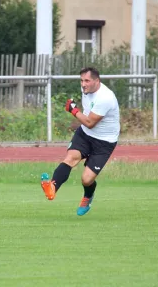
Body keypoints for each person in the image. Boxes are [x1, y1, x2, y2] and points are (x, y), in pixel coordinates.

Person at [41, 67, 120, 216]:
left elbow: (90, 122)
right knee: (71, 158)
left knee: (86, 179)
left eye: (87, 81)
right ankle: (52, 188)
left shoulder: (105, 97)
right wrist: (77, 112)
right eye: (81, 80)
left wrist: (73, 110)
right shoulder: (87, 90)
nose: (83, 84)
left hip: (104, 141)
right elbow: (87, 123)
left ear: (97, 81)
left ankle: (88, 196)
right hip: (85, 134)